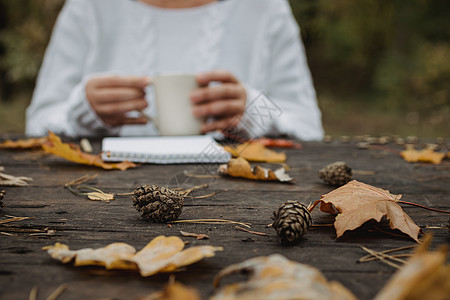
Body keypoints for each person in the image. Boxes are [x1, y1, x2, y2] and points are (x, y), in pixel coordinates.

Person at [26, 0, 324, 141]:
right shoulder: (89, 7)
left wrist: (251, 112)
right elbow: (38, 122)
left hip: (235, 203)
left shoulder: (266, 9)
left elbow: (308, 127)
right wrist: (82, 112)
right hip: (100, 201)